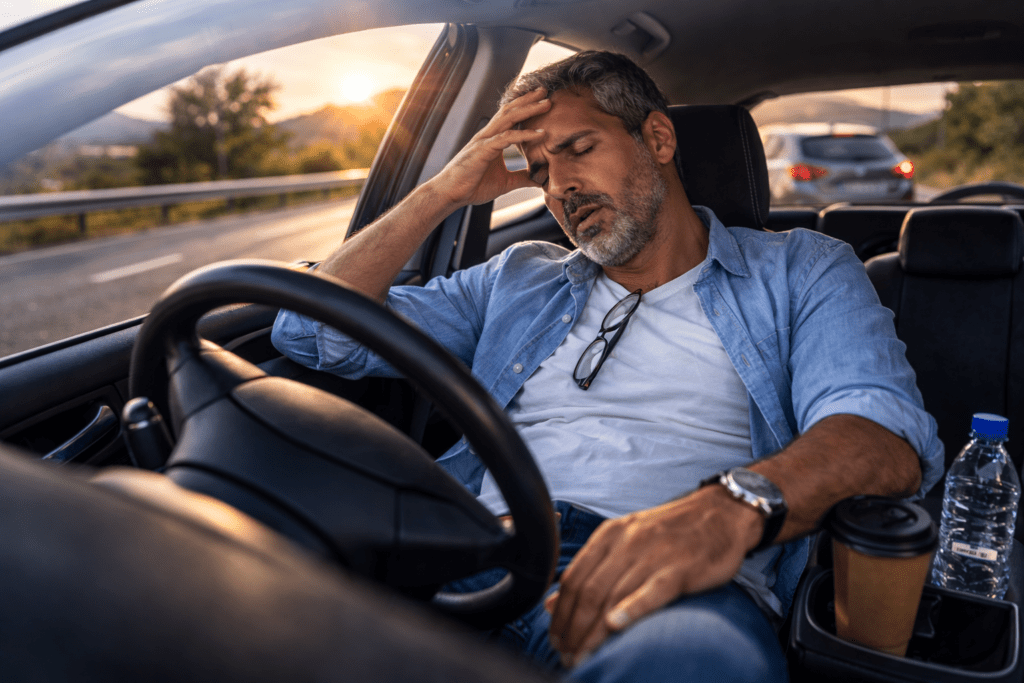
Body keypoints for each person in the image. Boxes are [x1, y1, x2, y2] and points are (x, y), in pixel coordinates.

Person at [272, 51, 943, 681]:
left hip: (671, 588)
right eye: (539, 171)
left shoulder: (801, 269)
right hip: (475, 555)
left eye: (578, 150)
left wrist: (728, 507)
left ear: (657, 139)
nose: (560, 187)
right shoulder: (518, 276)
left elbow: (881, 437)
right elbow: (307, 330)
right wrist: (444, 191)